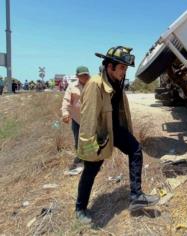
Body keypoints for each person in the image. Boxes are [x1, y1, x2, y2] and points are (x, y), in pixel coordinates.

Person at [75, 46, 159, 223]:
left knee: (135, 149)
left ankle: (137, 196)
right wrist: (90, 147)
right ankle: (80, 208)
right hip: (100, 133)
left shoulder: (116, 83)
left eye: (126, 68)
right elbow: (88, 118)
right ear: (109, 66)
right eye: (121, 67)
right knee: (91, 169)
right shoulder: (95, 84)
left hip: (114, 129)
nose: (124, 72)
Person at [61, 66, 90, 174]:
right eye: (83, 75)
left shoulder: (93, 85)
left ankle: (90, 160)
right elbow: (66, 101)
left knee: (91, 139)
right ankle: (80, 157)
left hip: (90, 119)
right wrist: (65, 113)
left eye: (86, 74)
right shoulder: (72, 87)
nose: (85, 77)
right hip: (77, 119)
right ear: (77, 76)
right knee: (78, 139)